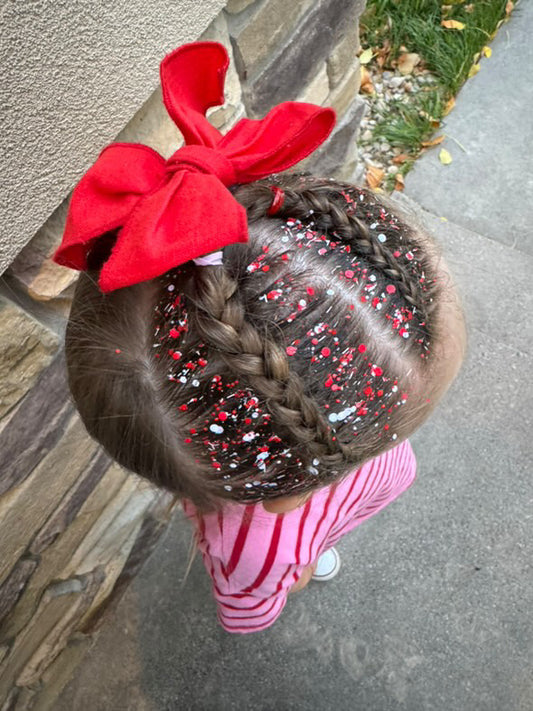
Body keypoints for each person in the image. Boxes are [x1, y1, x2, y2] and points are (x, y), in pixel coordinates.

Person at [55, 41, 466, 634]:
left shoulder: (292, 457)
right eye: (395, 431)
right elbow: (248, 615)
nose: (398, 439)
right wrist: (290, 569)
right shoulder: (256, 559)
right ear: (290, 499)